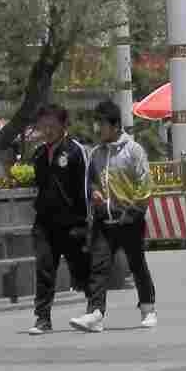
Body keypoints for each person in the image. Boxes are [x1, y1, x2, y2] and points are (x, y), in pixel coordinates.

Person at [72, 99, 158, 331]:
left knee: (136, 264)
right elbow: (91, 182)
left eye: (102, 124)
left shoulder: (134, 150)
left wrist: (132, 213)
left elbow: (145, 185)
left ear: (116, 125)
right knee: (98, 267)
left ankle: (148, 308)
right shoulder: (96, 153)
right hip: (104, 220)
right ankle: (95, 314)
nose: (98, 128)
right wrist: (95, 193)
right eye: (96, 123)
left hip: (129, 218)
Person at [28, 106, 92, 334]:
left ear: (64, 126)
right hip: (45, 223)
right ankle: (42, 318)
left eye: (52, 126)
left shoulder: (76, 151)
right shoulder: (38, 154)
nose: (47, 131)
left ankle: (95, 310)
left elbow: (85, 189)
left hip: (72, 223)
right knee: (44, 269)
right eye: (43, 126)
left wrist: (85, 222)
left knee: (81, 269)